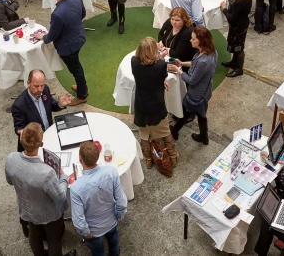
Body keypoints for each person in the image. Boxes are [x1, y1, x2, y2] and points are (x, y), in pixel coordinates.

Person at [5, 123, 75, 256]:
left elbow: (10, 181)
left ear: (21, 139)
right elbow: (60, 196)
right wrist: (64, 176)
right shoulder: (47, 173)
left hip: (27, 209)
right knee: (54, 239)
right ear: (41, 144)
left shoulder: (11, 159)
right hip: (49, 214)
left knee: (34, 233)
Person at [33, 0, 88, 106]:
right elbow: (83, 14)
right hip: (79, 37)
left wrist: (43, 37)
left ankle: (82, 95)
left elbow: (51, 36)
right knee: (77, 68)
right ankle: (82, 88)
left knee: (76, 70)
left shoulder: (57, 14)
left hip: (68, 47)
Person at [70, 141, 127, 256]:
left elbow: (78, 219)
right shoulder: (111, 172)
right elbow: (121, 201)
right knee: (114, 242)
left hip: (93, 231)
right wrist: (120, 215)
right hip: (112, 221)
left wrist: (86, 233)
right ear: (98, 157)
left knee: (98, 252)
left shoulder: (76, 188)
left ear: (80, 159)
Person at [132, 37, 180, 169]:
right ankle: (173, 155)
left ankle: (148, 159)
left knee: (144, 134)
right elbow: (162, 75)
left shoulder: (134, 62)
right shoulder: (160, 65)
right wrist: (162, 57)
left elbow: (148, 75)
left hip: (141, 104)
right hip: (156, 105)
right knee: (165, 131)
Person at [168, 27, 218, 145]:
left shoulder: (203, 61)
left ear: (200, 41)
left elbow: (191, 80)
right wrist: (182, 63)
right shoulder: (211, 52)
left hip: (196, 94)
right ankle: (203, 136)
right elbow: (195, 64)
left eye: (193, 39)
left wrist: (178, 70)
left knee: (186, 112)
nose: (190, 40)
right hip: (206, 90)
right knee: (201, 115)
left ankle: (175, 130)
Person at [11, 70, 71, 152]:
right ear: (28, 83)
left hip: (49, 136)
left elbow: (51, 105)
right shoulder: (19, 105)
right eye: (36, 86)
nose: (40, 89)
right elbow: (18, 128)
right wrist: (23, 132)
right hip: (34, 146)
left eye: (42, 85)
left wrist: (60, 104)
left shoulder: (45, 89)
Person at [216, 0, 252, 77]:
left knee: (239, 48)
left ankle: (239, 69)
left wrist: (224, 9)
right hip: (241, 25)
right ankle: (234, 62)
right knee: (236, 46)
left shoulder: (240, 2)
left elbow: (232, 18)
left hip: (238, 27)